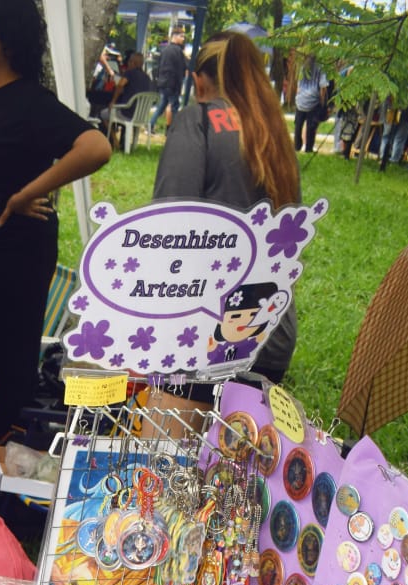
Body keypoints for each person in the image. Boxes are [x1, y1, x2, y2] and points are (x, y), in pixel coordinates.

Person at [0, 0, 111, 447]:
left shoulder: (31, 103)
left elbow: (95, 147)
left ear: (9, 42)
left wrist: (27, 192)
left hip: (8, 265)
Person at [152, 30, 300, 408]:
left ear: (199, 82)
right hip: (272, 334)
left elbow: (168, 225)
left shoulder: (197, 120)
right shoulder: (275, 134)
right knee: (229, 448)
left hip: (206, 335)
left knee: (164, 446)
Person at [149, 26, 187, 134]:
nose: (183, 39)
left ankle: (150, 124)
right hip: (172, 83)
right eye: (181, 36)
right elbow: (180, 69)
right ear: (175, 36)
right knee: (174, 106)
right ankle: (173, 129)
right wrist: (179, 85)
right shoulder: (178, 51)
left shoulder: (165, 50)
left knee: (162, 105)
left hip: (163, 82)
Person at [103, 48, 153, 128]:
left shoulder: (129, 73)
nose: (128, 63)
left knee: (104, 114)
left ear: (133, 63)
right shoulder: (147, 77)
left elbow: (120, 85)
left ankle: (112, 136)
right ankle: (125, 135)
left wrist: (113, 101)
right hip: (141, 116)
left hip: (127, 113)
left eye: (129, 61)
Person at [293, 53, 327, 153]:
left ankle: (297, 146)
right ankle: (308, 148)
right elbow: (323, 87)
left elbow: (298, 86)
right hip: (313, 100)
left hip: (300, 100)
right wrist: (322, 101)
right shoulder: (321, 68)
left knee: (298, 125)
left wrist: (297, 98)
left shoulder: (302, 67)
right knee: (311, 126)